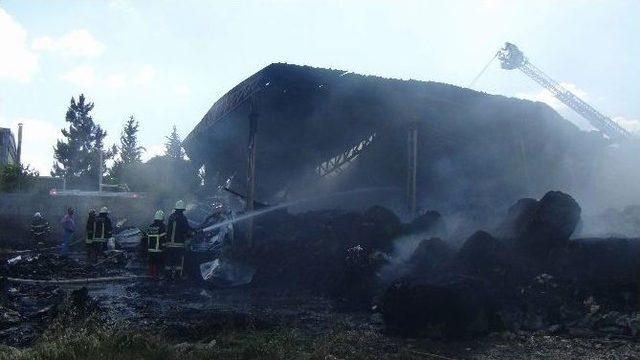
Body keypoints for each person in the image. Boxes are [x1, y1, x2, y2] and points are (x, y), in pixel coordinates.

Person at [165, 200, 195, 279]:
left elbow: (168, 229)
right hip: (178, 244)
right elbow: (185, 229)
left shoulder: (171, 217)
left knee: (169, 261)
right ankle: (178, 276)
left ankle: (168, 276)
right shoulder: (182, 218)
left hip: (168, 244)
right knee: (178, 261)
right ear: (182, 210)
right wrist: (192, 233)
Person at [147, 210, 166, 278]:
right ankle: (157, 274)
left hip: (150, 249)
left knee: (151, 262)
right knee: (158, 263)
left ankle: (151, 274)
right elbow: (163, 238)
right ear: (162, 218)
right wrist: (164, 247)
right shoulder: (163, 227)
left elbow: (146, 237)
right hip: (159, 249)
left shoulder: (151, 226)